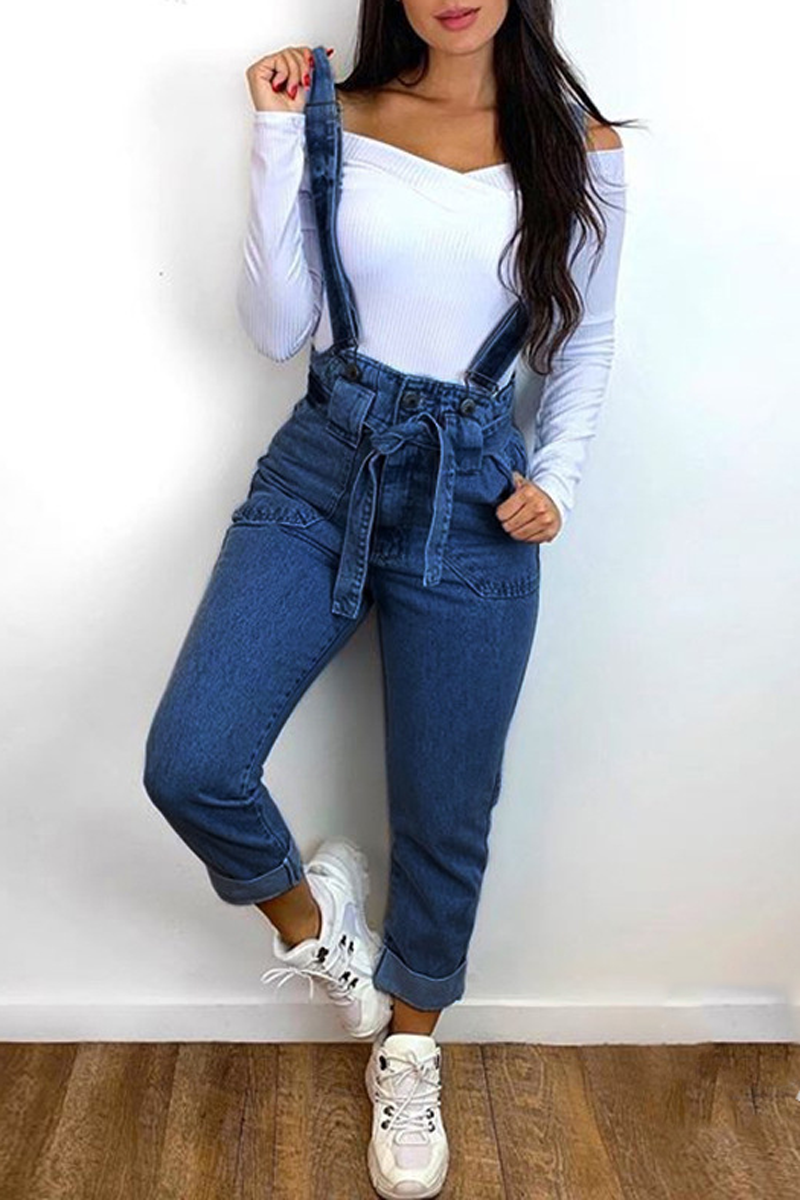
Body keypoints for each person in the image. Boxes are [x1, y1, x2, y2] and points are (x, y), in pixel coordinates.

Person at [143, 4, 628, 1196]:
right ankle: (319, 931)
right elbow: (277, 330)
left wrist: (557, 481)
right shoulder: (334, 118)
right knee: (193, 759)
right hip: (323, 468)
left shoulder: (578, 144)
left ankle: (409, 1052)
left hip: (478, 494)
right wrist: (272, 134)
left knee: (446, 812)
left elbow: (586, 337)